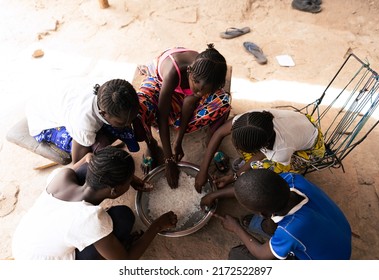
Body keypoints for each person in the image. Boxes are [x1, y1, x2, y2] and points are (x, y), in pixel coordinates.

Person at [12, 146, 177, 260]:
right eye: (128, 183)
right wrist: (156, 226)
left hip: (23, 241)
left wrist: (128, 179)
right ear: (114, 191)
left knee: (84, 171)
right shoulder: (90, 220)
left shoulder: (62, 176)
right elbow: (126, 261)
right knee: (123, 218)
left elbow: (88, 160)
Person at [201, 169, 352, 260]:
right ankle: (268, 228)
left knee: (238, 256)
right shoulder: (291, 179)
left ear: (263, 213)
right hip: (340, 232)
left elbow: (261, 254)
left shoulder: (290, 231)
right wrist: (213, 195)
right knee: (272, 227)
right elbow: (253, 187)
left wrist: (235, 228)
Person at [137, 44, 231, 188]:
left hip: (184, 90)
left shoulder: (208, 77)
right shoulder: (173, 72)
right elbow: (162, 117)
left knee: (223, 101)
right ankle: (152, 145)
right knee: (141, 108)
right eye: (199, 90)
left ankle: (210, 142)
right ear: (190, 73)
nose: (201, 95)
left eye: (206, 92)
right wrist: (168, 160)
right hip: (162, 83)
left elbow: (190, 100)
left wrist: (178, 141)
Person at [26, 78, 160, 165]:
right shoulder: (83, 125)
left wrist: (150, 143)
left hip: (61, 99)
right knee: (100, 146)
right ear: (103, 114)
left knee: (133, 122)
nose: (127, 124)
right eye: (121, 122)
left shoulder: (114, 92)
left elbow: (134, 119)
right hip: (46, 122)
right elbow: (77, 163)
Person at [195, 109, 325, 192]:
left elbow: (260, 155)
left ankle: (247, 168)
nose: (235, 146)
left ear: (262, 146)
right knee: (249, 162)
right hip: (300, 126)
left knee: (262, 178)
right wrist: (202, 170)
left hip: (311, 147)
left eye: (240, 146)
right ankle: (245, 166)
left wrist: (234, 178)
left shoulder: (280, 152)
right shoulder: (251, 120)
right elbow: (219, 133)